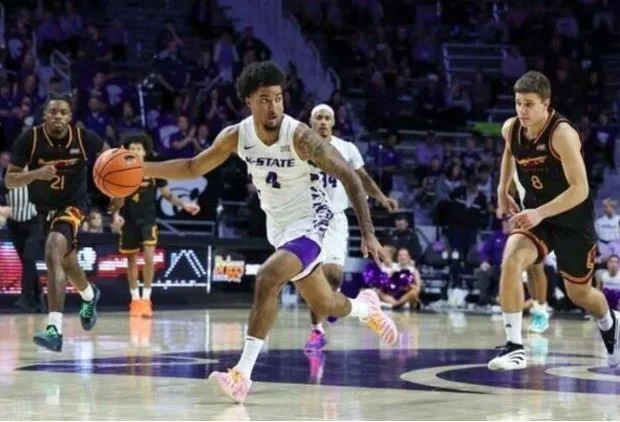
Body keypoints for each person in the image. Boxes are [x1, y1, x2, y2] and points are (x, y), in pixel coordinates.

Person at [142, 61, 398, 403]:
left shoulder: (300, 136)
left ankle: (241, 375)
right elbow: (192, 167)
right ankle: (366, 308)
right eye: (265, 99)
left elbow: (350, 176)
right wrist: (142, 169)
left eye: (278, 98)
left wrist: (368, 233)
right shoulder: (237, 135)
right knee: (325, 304)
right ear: (249, 101)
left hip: (312, 220)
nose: (274, 106)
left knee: (267, 277)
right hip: (278, 226)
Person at [490, 71, 620, 371]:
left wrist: (539, 212)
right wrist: (502, 190)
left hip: (572, 219)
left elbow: (580, 189)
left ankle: (609, 321)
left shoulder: (562, 134)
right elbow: (509, 151)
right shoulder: (511, 128)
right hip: (538, 216)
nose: (522, 110)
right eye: (518, 103)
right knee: (511, 260)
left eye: (529, 104)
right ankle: (514, 347)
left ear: (546, 104)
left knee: (579, 293)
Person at [5, 93, 123, 352]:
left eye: (63, 112)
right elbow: (10, 180)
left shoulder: (83, 138)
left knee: (52, 250)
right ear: (45, 115)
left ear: (70, 117)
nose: (57, 116)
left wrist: (118, 192)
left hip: (73, 205)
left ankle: (54, 329)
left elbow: (113, 159)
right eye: (53, 112)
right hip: (43, 210)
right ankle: (89, 295)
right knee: (67, 262)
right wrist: (35, 173)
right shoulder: (30, 139)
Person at [303, 103, 397, 352]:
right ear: (311, 122)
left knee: (334, 275)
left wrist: (380, 197)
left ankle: (332, 301)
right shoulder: (301, 146)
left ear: (333, 123)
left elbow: (362, 179)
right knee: (314, 276)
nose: (323, 122)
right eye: (318, 118)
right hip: (307, 219)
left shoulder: (346, 148)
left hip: (335, 219)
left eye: (327, 118)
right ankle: (317, 330)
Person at [115, 132, 200, 317]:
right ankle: (134, 300)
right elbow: (116, 196)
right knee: (131, 260)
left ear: (145, 151)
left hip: (148, 220)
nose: (135, 151)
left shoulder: (154, 171)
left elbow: (167, 194)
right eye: (132, 148)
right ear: (127, 151)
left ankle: (146, 299)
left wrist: (184, 204)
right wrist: (115, 215)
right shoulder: (120, 172)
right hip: (128, 221)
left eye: (139, 148)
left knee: (149, 256)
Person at [512, 174, 550, 334]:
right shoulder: (513, 167)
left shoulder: (538, 165)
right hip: (524, 215)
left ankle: (542, 310)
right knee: (529, 267)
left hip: (541, 215)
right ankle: (537, 308)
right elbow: (512, 191)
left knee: (537, 265)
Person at [4, 183, 45, 312]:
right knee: (27, 262)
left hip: (33, 223)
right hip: (14, 225)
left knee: (28, 257)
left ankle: (26, 296)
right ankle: (39, 297)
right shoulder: (6, 181)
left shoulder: (35, 179)